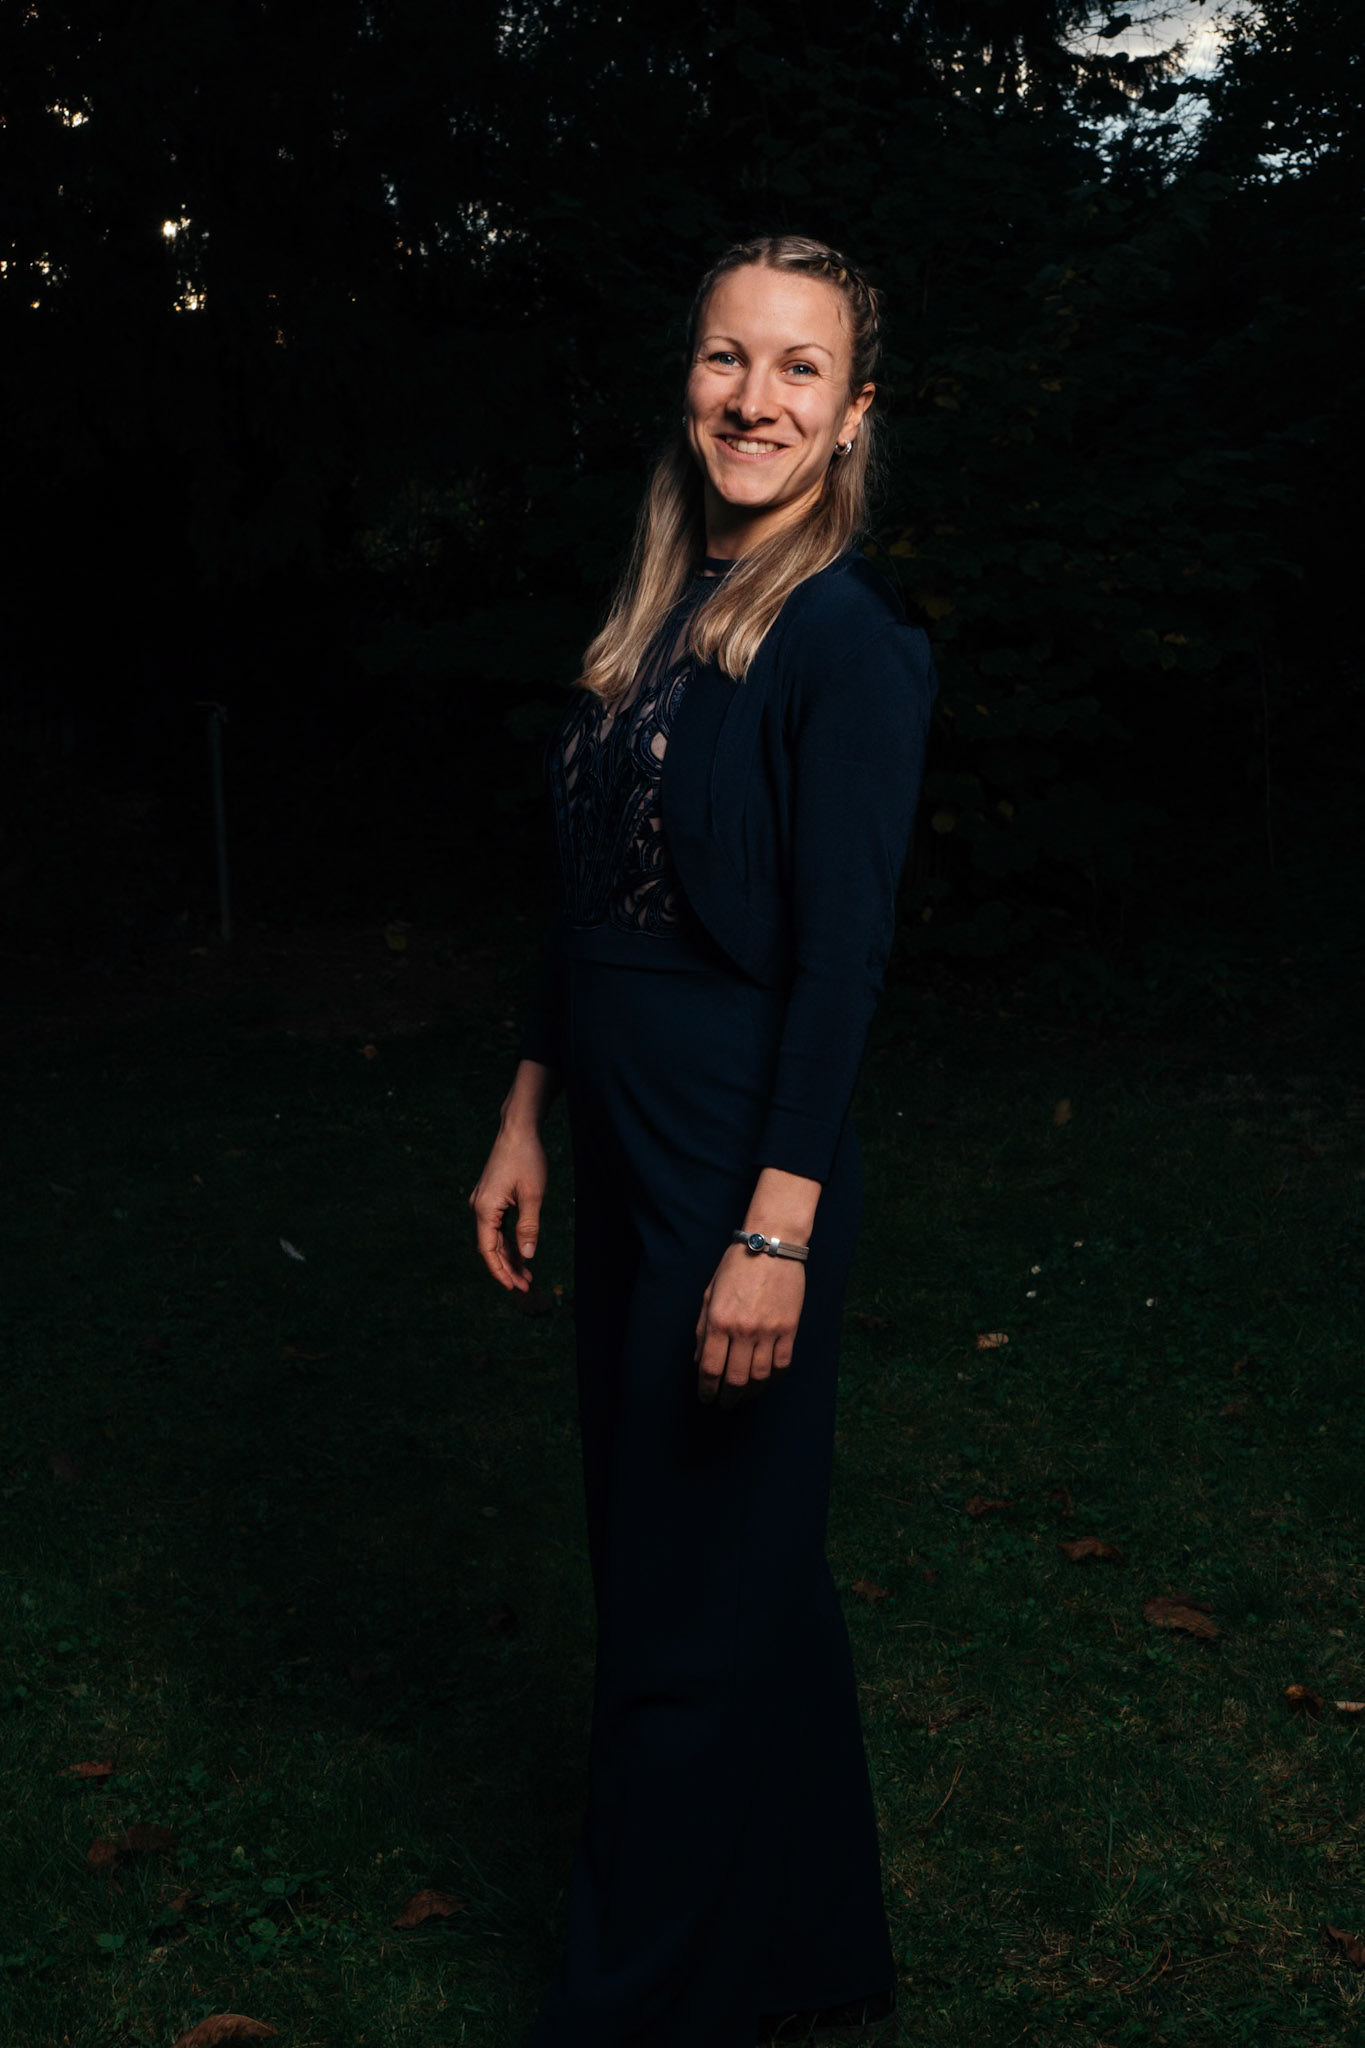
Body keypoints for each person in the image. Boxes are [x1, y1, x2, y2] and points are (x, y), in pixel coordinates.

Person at [468, 233, 939, 2048]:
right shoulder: (665, 612)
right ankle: (807, 1957)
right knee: (728, 1571)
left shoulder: (848, 642)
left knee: (683, 1608)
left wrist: (775, 1229)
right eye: (728, 358)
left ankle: (621, 2006)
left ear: (852, 413)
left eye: (799, 368)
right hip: (628, 1144)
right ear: (687, 381)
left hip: (739, 1166)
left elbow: (842, 963)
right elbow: (587, 898)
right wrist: (528, 1110)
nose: (755, 399)